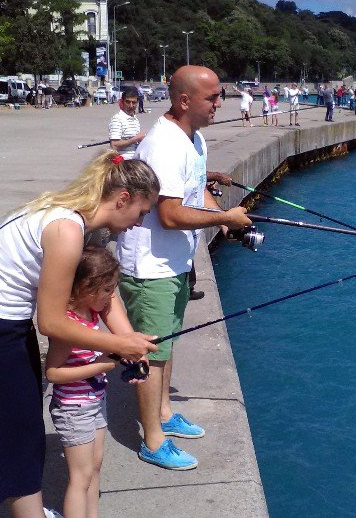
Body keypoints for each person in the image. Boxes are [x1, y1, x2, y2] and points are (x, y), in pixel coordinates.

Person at [0, 151, 159, 516]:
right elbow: (52, 323)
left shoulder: (84, 221)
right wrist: (116, 344)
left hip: (4, 323)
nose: (140, 223)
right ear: (122, 199)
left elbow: (104, 293)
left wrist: (131, 345)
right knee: (16, 433)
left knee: (24, 423)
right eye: (141, 212)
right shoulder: (66, 229)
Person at [115, 65, 252, 470]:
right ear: (184, 101)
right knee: (151, 353)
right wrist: (224, 220)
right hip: (149, 265)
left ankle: (163, 412)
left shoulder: (194, 139)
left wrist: (222, 215)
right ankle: (152, 441)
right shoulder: (165, 145)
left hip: (174, 262)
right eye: (212, 97)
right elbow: (172, 215)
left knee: (167, 343)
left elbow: (196, 194)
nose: (218, 103)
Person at [46, 246, 134, 518]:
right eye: (108, 289)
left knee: (95, 466)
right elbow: (53, 373)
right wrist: (101, 364)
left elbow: (91, 358)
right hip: (74, 409)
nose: (111, 297)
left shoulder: (92, 315)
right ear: (86, 288)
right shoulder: (67, 327)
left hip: (95, 401)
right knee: (80, 476)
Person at [108, 87, 145, 160]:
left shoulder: (135, 119)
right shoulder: (117, 119)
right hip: (123, 164)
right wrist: (136, 139)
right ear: (122, 102)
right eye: (128, 102)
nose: (131, 105)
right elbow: (114, 145)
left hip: (134, 161)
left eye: (134, 102)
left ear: (137, 102)